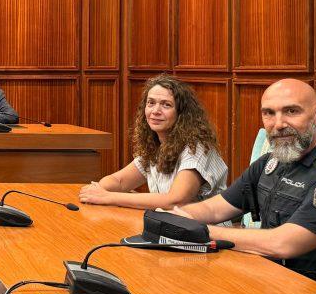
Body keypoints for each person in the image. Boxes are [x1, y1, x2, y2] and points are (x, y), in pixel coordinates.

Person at [169, 79, 316, 284]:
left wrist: (198, 232)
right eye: (269, 113)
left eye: (291, 111)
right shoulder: (271, 160)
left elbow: (284, 243)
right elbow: (216, 209)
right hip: (265, 278)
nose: (278, 124)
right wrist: (175, 219)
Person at [79, 75, 228, 209]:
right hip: (173, 229)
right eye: (151, 103)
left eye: (166, 105)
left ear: (182, 114)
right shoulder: (156, 145)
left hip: (207, 233)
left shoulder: (196, 148)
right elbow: (119, 181)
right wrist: (98, 190)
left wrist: (108, 197)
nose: (155, 110)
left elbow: (175, 201)